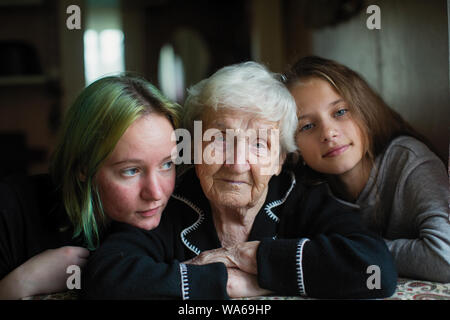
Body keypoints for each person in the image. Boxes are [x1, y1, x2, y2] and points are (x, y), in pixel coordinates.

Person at [82, 61, 397, 300]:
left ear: (279, 160)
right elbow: (107, 277)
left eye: (259, 144)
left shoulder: (300, 197)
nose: (236, 163)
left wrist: (250, 259)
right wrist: (225, 283)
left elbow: (375, 270)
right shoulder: (170, 202)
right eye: (218, 139)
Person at [0, 75, 181, 299]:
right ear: (83, 167)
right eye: (131, 170)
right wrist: (24, 280)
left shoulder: (187, 219)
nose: (155, 193)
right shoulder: (11, 209)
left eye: (167, 164)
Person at [284, 55, 450, 283]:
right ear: (292, 143)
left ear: (363, 108)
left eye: (340, 112)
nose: (328, 133)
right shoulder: (302, 187)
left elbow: (444, 258)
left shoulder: (408, 160)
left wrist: (353, 252)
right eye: (308, 126)